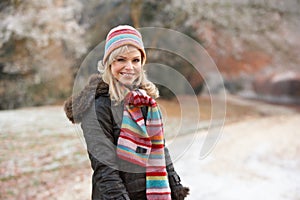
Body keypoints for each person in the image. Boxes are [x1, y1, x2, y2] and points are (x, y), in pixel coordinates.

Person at [64, 25, 189, 200]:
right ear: (109, 63)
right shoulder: (97, 107)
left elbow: (160, 149)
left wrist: (176, 188)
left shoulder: (145, 102)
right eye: (121, 59)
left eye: (135, 60)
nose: (129, 67)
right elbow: (105, 170)